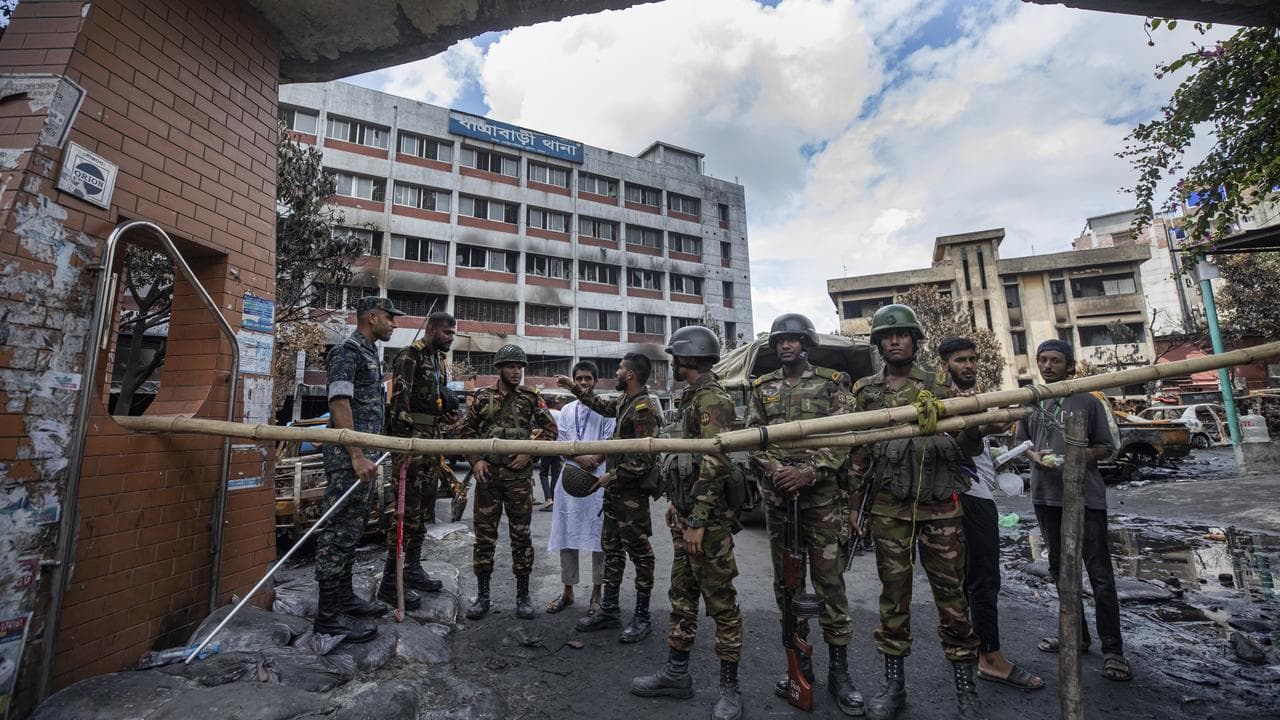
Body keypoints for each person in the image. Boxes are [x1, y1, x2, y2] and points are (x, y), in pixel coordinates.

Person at [849, 304, 983, 720]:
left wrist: (968, 421)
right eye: (887, 336)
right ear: (878, 344)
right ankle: (894, 687)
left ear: (914, 340)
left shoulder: (942, 384)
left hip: (940, 507)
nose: (894, 341)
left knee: (953, 601)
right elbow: (859, 453)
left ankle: (966, 691)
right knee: (894, 600)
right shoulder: (866, 392)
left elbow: (971, 449)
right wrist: (856, 507)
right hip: (890, 509)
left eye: (902, 335)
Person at [746, 313, 865, 717]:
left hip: (821, 501)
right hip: (780, 502)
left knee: (830, 586)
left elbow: (846, 435)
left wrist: (809, 472)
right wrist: (775, 471)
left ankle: (840, 673)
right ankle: (800, 665)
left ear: (806, 344)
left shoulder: (832, 384)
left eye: (794, 340)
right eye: (780, 340)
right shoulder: (763, 388)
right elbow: (752, 438)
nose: (786, 346)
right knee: (788, 587)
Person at [632, 326, 743, 720]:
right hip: (688, 519)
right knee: (682, 598)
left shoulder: (712, 398)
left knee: (721, 604)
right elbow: (684, 462)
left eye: (676, 357)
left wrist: (696, 518)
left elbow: (716, 462)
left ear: (689, 359)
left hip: (708, 526)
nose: (673, 363)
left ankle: (730, 688)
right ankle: (676, 674)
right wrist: (679, 507)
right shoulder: (692, 397)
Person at [1017, 339, 1132, 683]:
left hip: (1085, 497)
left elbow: (1107, 447)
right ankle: (1076, 637)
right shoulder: (1032, 400)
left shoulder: (1089, 398)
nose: (1047, 366)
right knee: (1059, 570)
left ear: (1070, 365)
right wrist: (1033, 456)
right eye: (1042, 360)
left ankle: (1113, 649)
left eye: (1054, 360)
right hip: (1045, 495)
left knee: (1098, 573)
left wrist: (1076, 457)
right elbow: (1024, 443)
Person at [939, 337, 1044, 692]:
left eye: (971, 359)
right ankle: (990, 658)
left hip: (982, 492)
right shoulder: (945, 403)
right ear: (945, 366)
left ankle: (977, 648)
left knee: (975, 580)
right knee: (983, 579)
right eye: (959, 360)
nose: (967, 365)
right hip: (968, 497)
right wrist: (983, 426)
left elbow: (981, 455)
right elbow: (953, 447)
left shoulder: (979, 398)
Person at [313, 296, 404, 642]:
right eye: (390, 318)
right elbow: (339, 402)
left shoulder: (369, 353)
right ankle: (328, 616)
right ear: (373, 316)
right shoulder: (347, 352)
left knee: (351, 531)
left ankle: (344, 598)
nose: (394, 325)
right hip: (349, 461)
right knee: (337, 532)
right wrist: (355, 455)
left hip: (365, 458)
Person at [556, 353, 661, 643]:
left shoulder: (643, 408)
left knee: (640, 554)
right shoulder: (626, 402)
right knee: (612, 550)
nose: (616, 372)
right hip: (616, 495)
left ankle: (642, 616)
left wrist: (610, 477)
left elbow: (643, 459)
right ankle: (610, 611)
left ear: (630, 374)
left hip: (631, 495)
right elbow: (601, 405)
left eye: (620, 369)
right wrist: (574, 388)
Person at [458, 344, 558, 620]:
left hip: (518, 477)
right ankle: (483, 596)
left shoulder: (530, 398)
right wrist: (476, 460)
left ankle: (523, 597)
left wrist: (529, 452)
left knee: (521, 536)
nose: (517, 372)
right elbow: (465, 432)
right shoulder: (482, 398)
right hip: (488, 476)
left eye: (520, 367)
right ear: (499, 368)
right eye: (512, 366)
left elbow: (551, 430)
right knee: (484, 538)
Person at [382, 311, 458, 611]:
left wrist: (446, 413)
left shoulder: (438, 361)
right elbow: (399, 406)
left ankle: (412, 568)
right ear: (431, 329)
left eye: (452, 333)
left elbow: (433, 401)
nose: (451, 338)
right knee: (404, 513)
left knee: (423, 510)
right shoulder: (409, 356)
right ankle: (390, 582)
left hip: (432, 442)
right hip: (412, 447)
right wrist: (405, 450)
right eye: (447, 333)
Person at [545, 361, 615, 616]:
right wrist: (578, 460)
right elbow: (562, 441)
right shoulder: (566, 409)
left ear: (595, 382)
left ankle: (597, 592)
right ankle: (568, 591)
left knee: (599, 536)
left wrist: (593, 461)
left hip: (598, 478)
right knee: (567, 532)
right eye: (579, 379)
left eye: (587, 379)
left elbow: (609, 441)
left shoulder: (606, 409)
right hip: (569, 478)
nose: (583, 383)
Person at [538, 396, 565, 511]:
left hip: (547, 446)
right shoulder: (560, 414)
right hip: (558, 447)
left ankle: (548, 499)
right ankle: (553, 499)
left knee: (543, 473)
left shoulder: (545, 414)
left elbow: (542, 430)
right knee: (555, 474)